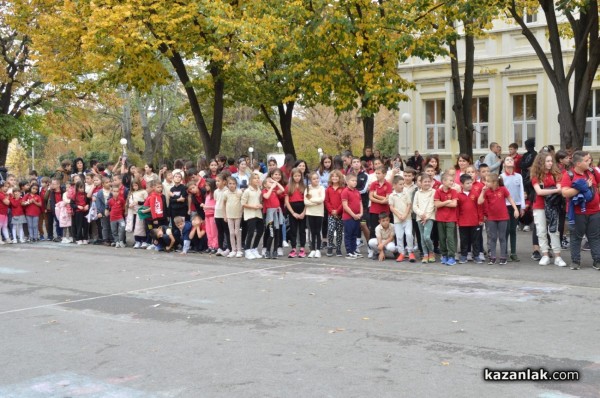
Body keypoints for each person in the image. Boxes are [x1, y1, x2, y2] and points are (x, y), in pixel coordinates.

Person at [560, 150, 600, 270]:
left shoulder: (592, 171)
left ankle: (597, 261)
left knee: (595, 237)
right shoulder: (569, 175)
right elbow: (565, 193)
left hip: (594, 211)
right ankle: (575, 261)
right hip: (578, 213)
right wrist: (582, 187)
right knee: (576, 237)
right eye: (587, 160)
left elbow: (597, 185)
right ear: (578, 163)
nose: (590, 162)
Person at [530, 152, 567, 267]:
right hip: (539, 206)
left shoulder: (556, 174)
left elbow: (559, 188)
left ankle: (557, 256)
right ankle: (545, 254)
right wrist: (555, 190)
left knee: (554, 231)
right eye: (548, 161)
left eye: (551, 161)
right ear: (541, 162)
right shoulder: (535, 175)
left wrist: (553, 190)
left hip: (553, 206)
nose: (551, 163)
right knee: (541, 231)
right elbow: (539, 192)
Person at [478, 173, 520, 265]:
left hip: (503, 217)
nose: (486, 183)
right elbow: (479, 201)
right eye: (485, 181)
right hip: (491, 217)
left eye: (488, 181)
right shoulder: (487, 191)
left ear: (495, 182)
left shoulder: (503, 189)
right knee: (493, 237)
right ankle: (492, 257)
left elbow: (510, 199)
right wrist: (482, 191)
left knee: (502, 237)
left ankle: (503, 257)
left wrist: (515, 209)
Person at [501, 156, 525, 262]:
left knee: (513, 229)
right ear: (504, 164)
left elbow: (521, 191)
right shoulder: (501, 177)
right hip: (505, 205)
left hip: (517, 205)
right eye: (507, 160)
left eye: (511, 160)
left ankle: (513, 252)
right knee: (506, 229)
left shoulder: (519, 176)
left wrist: (522, 207)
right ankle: (505, 252)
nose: (510, 161)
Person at [457, 174, 483, 264]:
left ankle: (476, 256)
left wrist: (480, 219)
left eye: (470, 183)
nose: (469, 185)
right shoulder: (459, 195)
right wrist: (457, 220)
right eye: (467, 183)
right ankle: (464, 256)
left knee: (475, 240)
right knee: (464, 240)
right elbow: (457, 209)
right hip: (463, 222)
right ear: (462, 185)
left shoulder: (475, 194)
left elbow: (479, 207)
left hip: (474, 222)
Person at [368, 166, 393, 258]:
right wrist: (381, 200)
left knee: (385, 230)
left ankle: (385, 249)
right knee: (373, 230)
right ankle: (373, 250)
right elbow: (371, 197)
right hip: (374, 210)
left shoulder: (388, 185)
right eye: (376, 173)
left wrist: (377, 196)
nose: (377, 175)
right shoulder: (374, 184)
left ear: (384, 174)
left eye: (379, 173)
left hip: (385, 211)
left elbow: (388, 199)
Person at [434, 173, 458, 265]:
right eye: (450, 180)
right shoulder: (438, 191)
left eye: (453, 180)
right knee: (442, 238)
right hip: (440, 219)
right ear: (443, 181)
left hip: (451, 219)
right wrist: (447, 201)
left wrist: (442, 203)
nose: (452, 182)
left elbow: (454, 204)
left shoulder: (454, 192)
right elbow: (436, 204)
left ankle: (452, 256)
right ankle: (444, 255)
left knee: (450, 238)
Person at [388, 175, 414, 262]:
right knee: (399, 237)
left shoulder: (406, 193)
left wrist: (405, 215)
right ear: (394, 185)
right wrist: (399, 215)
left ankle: (410, 252)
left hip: (407, 219)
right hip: (397, 220)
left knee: (409, 234)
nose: (402, 186)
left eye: (403, 184)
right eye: (400, 184)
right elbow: (391, 207)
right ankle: (401, 253)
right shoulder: (392, 195)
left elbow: (409, 205)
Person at [413, 173, 436, 263]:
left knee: (427, 237)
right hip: (420, 217)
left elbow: (432, 205)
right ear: (420, 183)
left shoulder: (433, 191)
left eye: (428, 181)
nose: (427, 183)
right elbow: (415, 206)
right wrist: (421, 214)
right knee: (422, 237)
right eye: (425, 182)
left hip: (429, 217)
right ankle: (425, 254)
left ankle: (431, 251)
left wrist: (426, 216)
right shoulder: (417, 193)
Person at [241, 173, 263, 260]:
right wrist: (253, 207)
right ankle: (247, 249)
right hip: (250, 214)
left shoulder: (259, 190)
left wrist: (261, 205)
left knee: (261, 230)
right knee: (250, 232)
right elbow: (243, 203)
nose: (257, 180)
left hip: (258, 213)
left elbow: (261, 200)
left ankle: (254, 248)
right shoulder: (247, 191)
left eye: (258, 178)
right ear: (251, 180)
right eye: (255, 178)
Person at [286, 168, 307, 258]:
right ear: (292, 176)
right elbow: (287, 202)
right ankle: (293, 248)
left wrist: (304, 212)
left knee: (302, 230)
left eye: (299, 176)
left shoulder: (304, 187)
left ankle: (302, 248)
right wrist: (293, 212)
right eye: (295, 176)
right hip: (292, 209)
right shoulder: (289, 187)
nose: (297, 177)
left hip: (302, 208)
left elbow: (307, 201)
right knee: (293, 230)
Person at [262, 175, 285, 259]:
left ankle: (275, 251)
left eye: (271, 182)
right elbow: (266, 197)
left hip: (277, 212)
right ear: (265, 185)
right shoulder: (265, 191)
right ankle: (267, 251)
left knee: (277, 233)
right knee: (271, 233)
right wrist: (271, 188)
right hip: (270, 214)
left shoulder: (275, 191)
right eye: (269, 182)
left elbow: (282, 190)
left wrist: (276, 183)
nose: (271, 183)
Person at [341, 173, 363, 259]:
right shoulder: (345, 191)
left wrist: (360, 213)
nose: (354, 182)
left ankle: (354, 250)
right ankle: (349, 251)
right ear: (347, 181)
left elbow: (360, 203)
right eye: (352, 180)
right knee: (348, 235)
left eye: (355, 181)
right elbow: (345, 206)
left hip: (357, 217)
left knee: (354, 235)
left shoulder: (357, 191)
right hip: (348, 218)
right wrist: (353, 215)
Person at [304, 172, 325, 258]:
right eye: (314, 179)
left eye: (317, 178)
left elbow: (322, 199)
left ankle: (318, 250)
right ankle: (312, 249)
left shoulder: (321, 188)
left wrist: (311, 200)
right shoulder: (307, 189)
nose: (316, 180)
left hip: (319, 213)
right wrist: (315, 202)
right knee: (312, 232)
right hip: (310, 213)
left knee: (318, 231)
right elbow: (306, 202)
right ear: (310, 180)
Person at [325, 170, 345, 257]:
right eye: (333, 176)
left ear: (340, 178)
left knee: (339, 231)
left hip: (340, 214)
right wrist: (332, 211)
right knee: (331, 230)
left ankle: (338, 248)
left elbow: (343, 202)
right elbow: (327, 201)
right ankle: (330, 246)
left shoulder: (343, 189)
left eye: (337, 176)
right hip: (331, 214)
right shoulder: (328, 189)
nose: (335, 178)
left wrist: (338, 211)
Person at [223, 176, 243, 258]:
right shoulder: (226, 193)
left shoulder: (239, 192)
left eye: (233, 184)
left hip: (237, 215)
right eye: (230, 183)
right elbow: (223, 204)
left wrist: (241, 212)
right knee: (231, 232)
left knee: (237, 232)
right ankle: (233, 250)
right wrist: (225, 215)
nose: (231, 185)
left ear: (236, 184)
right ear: (227, 184)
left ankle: (239, 250)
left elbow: (242, 203)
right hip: (229, 215)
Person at [214, 173, 231, 257]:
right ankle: (220, 248)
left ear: (224, 182)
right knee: (220, 232)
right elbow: (216, 200)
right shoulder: (216, 191)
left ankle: (229, 248)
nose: (217, 183)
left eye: (218, 181)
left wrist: (226, 214)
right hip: (217, 214)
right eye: (216, 181)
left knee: (227, 232)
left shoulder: (227, 191)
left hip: (224, 214)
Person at [128, 178, 148, 249]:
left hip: (141, 212)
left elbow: (146, 202)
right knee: (135, 227)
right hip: (133, 212)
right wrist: (129, 205)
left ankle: (144, 241)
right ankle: (137, 241)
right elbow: (128, 202)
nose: (134, 187)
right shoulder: (131, 193)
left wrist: (138, 202)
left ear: (139, 185)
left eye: (136, 185)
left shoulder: (143, 192)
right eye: (133, 186)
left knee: (142, 227)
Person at [95, 177, 112, 246]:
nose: (109, 184)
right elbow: (98, 203)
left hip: (111, 211)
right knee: (105, 226)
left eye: (109, 182)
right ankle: (105, 239)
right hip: (103, 211)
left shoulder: (112, 191)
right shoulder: (100, 192)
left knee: (112, 226)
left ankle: (112, 238)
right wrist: (98, 212)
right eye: (106, 182)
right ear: (103, 184)